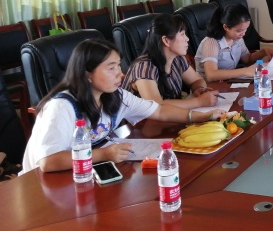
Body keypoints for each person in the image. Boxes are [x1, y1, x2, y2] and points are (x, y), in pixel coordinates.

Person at [21, 39, 226, 174]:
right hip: (43, 185)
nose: (121, 74)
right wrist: (103, 155)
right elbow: (48, 161)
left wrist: (198, 117)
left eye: (119, 65)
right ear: (87, 74)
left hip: (85, 173)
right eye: (111, 68)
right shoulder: (61, 107)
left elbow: (159, 110)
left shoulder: (116, 95)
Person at [122, 13, 218, 110]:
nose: (187, 39)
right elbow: (156, 107)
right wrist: (198, 102)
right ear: (166, 41)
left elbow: (197, 80)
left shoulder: (177, 59)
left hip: (171, 116)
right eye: (182, 34)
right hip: (140, 120)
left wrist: (199, 89)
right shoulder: (143, 67)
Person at [195, 5, 273, 81]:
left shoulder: (237, 39)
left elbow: (247, 59)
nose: (243, 34)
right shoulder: (211, 42)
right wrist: (245, 71)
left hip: (227, 83)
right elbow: (211, 75)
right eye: (239, 31)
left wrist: (263, 51)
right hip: (209, 87)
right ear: (226, 27)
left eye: (245, 29)